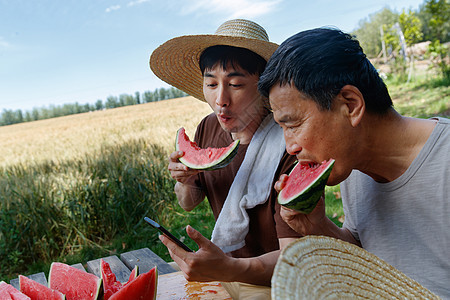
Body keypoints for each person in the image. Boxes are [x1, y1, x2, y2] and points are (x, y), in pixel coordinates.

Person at [258, 27, 450, 298]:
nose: (291, 147)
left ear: (350, 105)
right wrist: (319, 227)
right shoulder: (352, 164)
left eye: (294, 124)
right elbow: (368, 257)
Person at [149, 19, 302, 293]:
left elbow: (294, 260)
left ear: (264, 86)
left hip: (277, 282)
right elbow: (188, 203)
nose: (221, 100)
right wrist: (184, 178)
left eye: (235, 84)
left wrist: (224, 267)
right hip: (224, 272)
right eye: (211, 84)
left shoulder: (290, 144)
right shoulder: (208, 126)